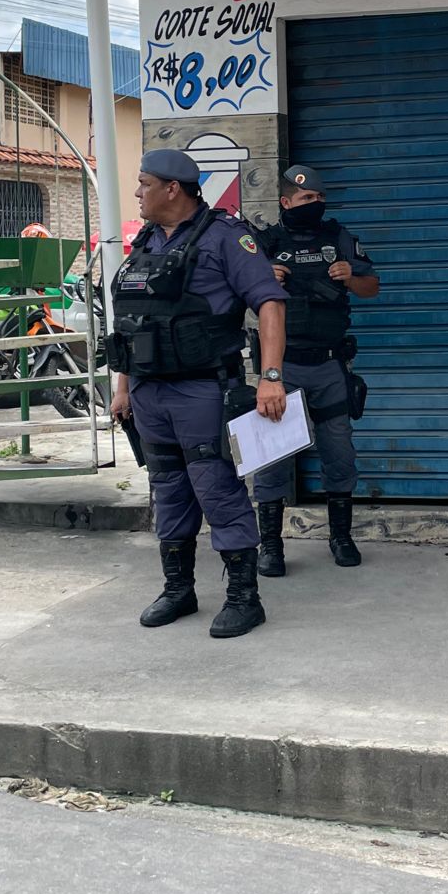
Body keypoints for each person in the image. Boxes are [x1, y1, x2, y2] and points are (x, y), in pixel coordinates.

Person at [109, 149, 288, 639]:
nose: (138, 193)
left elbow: (269, 304)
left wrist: (270, 376)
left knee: (216, 488)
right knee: (167, 491)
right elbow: (131, 322)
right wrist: (123, 388)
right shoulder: (145, 240)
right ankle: (178, 589)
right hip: (148, 391)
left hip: (202, 389)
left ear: (173, 188)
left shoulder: (226, 237)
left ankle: (244, 598)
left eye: (144, 183)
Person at [252, 164, 380, 575]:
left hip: (328, 367)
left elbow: (372, 286)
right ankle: (270, 547)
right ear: (285, 202)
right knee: (272, 460)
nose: (316, 204)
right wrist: (262, 279)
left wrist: (350, 279)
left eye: (320, 198)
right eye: (307, 199)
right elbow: (234, 298)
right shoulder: (264, 242)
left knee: (339, 455)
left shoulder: (338, 238)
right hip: (282, 369)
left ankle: (341, 538)